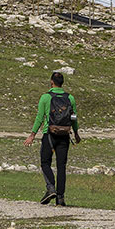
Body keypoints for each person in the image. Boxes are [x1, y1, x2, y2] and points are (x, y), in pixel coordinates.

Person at [23, 71, 80, 206]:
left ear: (51, 82)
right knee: (61, 166)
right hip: (65, 135)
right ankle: (60, 198)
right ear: (63, 83)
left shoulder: (45, 97)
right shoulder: (70, 98)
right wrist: (76, 133)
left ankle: (51, 188)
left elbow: (40, 117)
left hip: (49, 134)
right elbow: (74, 117)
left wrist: (32, 135)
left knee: (45, 162)